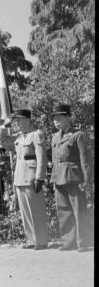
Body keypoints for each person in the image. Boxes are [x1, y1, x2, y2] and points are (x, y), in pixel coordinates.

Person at [50, 104, 94, 252]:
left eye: (59, 118)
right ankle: (69, 242)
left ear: (68, 117)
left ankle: (83, 241)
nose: (56, 121)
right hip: (59, 177)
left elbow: (85, 159)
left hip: (74, 177)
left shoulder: (78, 135)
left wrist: (87, 180)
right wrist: (53, 178)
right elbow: (55, 159)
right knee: (63, 210)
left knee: (79, 210)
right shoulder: (55, 136)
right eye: (54, 119)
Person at [10, 109, 49, 250]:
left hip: (32, 177)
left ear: (28, 120)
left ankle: (41, 241)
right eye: (15, 121)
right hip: (20, 177)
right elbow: (1, 140)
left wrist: (40, 177)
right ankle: (31, 240)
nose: (17, 123)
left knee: (36, 210)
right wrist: (3, 125)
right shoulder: (19, 137)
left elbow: (41, 157)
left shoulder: (36, 135)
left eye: (19, 120)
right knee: (26, 211)